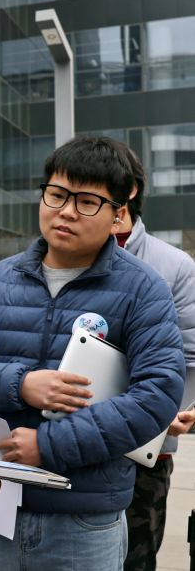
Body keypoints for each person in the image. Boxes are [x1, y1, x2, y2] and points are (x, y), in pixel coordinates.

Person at [0, 136, 185, 570]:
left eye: (87, 201)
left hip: (84, 523)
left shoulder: (143, 290)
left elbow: (157, 396)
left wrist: (49, 446)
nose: (66, 211)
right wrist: (21, 385)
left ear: (117, 214)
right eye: (56, 194)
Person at [113, 142, 195, 571]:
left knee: (136, 558)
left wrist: (182, 411)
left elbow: (191, 353)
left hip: (146, 450)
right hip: (68, 443)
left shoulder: (174, 265)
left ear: (129, 192)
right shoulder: (56, 255)